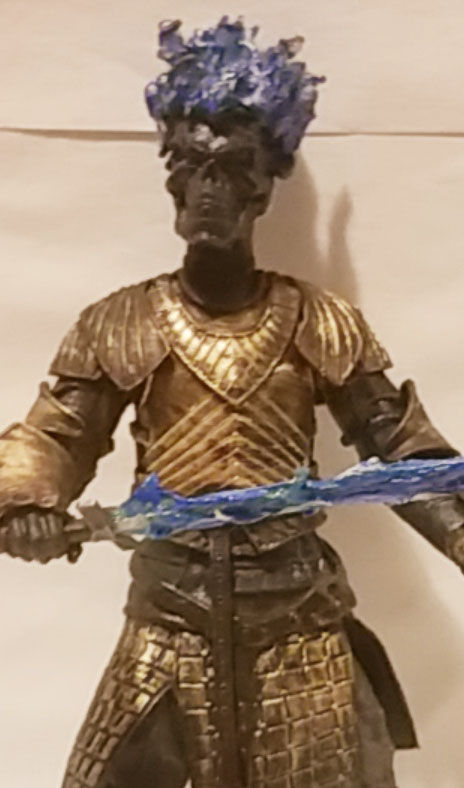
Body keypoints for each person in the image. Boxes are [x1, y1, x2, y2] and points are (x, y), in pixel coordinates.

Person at [1, 18, 463, 788]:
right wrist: (26, 502)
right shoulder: (123, 322)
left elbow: (401, 450)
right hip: (168, 618)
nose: (209, 189)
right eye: (193, 165)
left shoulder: (319, 321)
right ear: (171, 178)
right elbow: (59, 433)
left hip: (296, 623)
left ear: (264, 183)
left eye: (231, 168)